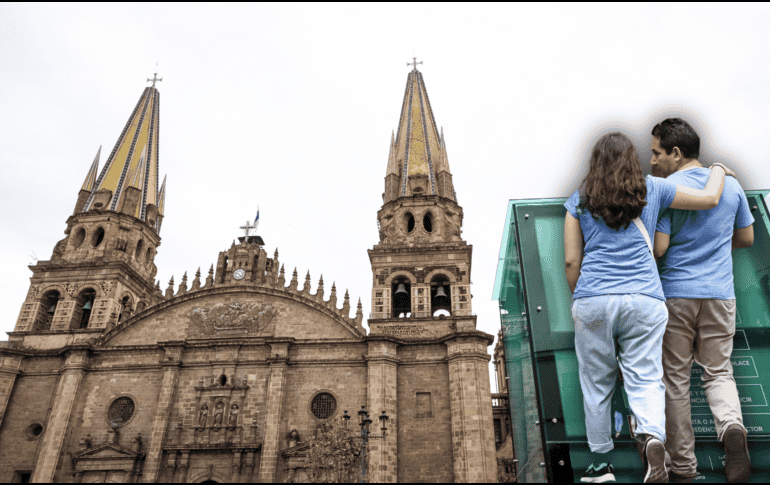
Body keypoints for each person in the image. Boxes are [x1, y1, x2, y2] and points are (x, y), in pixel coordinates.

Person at [563, 132, 731, 483]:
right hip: (645, 299)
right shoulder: (653, 189)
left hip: (594, 297)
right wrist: (717, 168)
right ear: (632, 160)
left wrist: (584, 299)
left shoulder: (579, 200)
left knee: (596, 383)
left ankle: (601, 467)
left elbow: (570, 263)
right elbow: (709, 198)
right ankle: (653, 438)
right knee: (647, 378)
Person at [651, 118, 754, 483]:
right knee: (718, 371)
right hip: (720, 294)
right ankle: (731, 429)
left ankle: (684, 467)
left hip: (676, 295)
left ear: (676, 153)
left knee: (675, 381)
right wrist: (711, 247)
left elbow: (660, 248)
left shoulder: (666, 191)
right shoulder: (732, 185)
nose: (652, 162)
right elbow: (747, 237)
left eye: (656, 153)